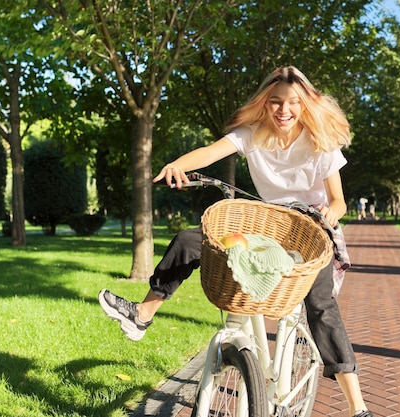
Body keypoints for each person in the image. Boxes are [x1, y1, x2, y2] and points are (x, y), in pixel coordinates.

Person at [98, 66, 373, 417]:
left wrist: (332, 213)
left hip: (311, 228)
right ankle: (143, 314)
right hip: (268, 222)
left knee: (320, 306)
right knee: (189, 240)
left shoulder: (319, 142)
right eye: (275, 102)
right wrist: (176, 165)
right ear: (264, 103)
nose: (283, 110)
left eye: (292, 103)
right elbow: (211, 152)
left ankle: (357, 407)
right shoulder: (251, 135)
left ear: (304, 104)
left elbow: (339, 200)